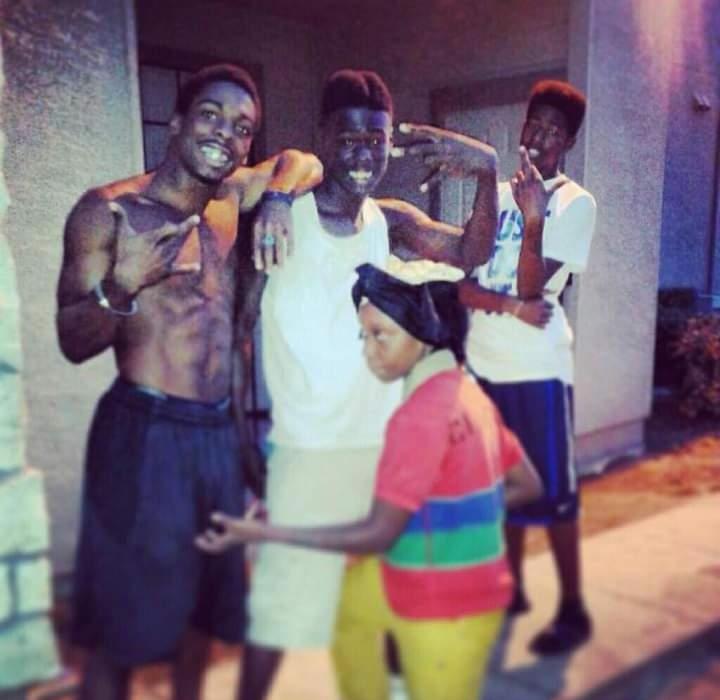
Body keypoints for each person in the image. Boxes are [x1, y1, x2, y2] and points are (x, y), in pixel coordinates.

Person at [55, 63, 322, 700]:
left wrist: (279, 198)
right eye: (210, 115)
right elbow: (71, 340)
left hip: (216, 437)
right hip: (144, 435)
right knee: (121, 633)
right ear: (176, 124)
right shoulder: (109, 212)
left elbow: (304, 162)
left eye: (242, 127)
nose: (226, 134)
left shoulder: (233, 198)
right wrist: (124, 284)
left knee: (205, 616)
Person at [236, 68, 500, 700]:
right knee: (278, 614)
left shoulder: (389, 221)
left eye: (375, 140)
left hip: (382, 455)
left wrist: (488, 171)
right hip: (305, 455)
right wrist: (240, 433)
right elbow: (238, 331)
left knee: (392, 595)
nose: (363, 153)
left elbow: (470, 252)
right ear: (323, 136)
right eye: (349, 138)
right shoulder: (280, 220)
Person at [197, 259, 543, 700]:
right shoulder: (469, 393)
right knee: (349, 605)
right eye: (364, 335)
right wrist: (453, 512)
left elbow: (379, 534)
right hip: (457, 583)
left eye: (380, 335)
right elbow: (528, 484)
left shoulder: (415, 419)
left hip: (444, 609)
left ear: (425, 332)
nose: (368, 351)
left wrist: (262, 532)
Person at [458, 79, 597, 655]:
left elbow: (534, 288)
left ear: (568, 142)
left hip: (538, 370)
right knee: (501, 486)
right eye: (533, 124)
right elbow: (464, 285)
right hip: (483, 365)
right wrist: (507, 306)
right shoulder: (494, 194)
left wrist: (534, 221)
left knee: (555, 494)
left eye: (553, 130)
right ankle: (509, 589)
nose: (539, 137)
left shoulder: (574, 203)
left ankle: (573, 610)